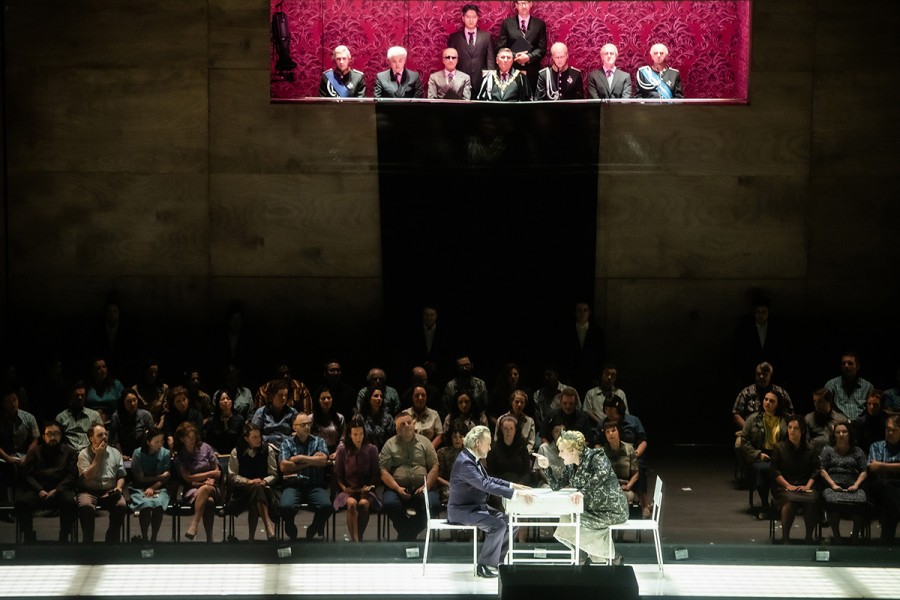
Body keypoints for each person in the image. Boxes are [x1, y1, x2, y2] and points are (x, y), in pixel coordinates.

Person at [448, 424, 533, 578]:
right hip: (462, 511)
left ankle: (495, 561)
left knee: (512, 523)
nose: (489, 448)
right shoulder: (465, 463)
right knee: (498, 526)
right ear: (477, 443)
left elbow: (488, 479)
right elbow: (485, 484)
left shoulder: (472, 459)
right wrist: (514, 494)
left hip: (475, 507)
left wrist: (512, 485)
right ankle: (484, 565)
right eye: (488, 444)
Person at [534, 429, 628, 564]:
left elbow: (601, 475)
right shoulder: (571, 466)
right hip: (592, 510)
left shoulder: (596, 456)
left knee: (577, 524)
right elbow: (556, 485)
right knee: (567, 518)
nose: (560, 455)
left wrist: (582, 492)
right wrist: (547, 467)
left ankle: (607, 557)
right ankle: (587, 556)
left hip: (611, 510)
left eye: (562, 451)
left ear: (573, 451)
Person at [379, 412, 438, 541]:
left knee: (434, 505)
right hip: (397, 488)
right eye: (402, 424)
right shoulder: (390, 444)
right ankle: (409, 534)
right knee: (389, 504)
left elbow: (434, 466)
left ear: (414, 424)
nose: (407, 426)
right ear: (396, 428)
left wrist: (426, 486)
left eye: (409, 423)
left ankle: (406, 535)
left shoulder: (425, 442)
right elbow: (383, 471)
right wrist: (397, 488)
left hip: (423, 487)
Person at [15, 421, 77, 543]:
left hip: (59, 489)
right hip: (38, 489)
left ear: (61, 435)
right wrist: (39, 490)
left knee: (70, 502)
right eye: (49, 434)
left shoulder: (69, 452)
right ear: (43, 436)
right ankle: (28, 534)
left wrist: (57, 490)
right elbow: (26, 474)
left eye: (56, 434)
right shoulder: (35, 452)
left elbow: (72, 475)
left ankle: (64, 534)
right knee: (21, 502)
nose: (53, 437)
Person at [279, 412, 332, 540]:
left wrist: (300, 458)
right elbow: (284, 467)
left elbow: (323, 461)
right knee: (286, 506)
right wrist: (311, 461)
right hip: (293, 485)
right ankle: (290, 524)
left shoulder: (319, 441)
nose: (307, 427)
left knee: (326, 506)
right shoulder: (287, 443)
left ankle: (315, 527)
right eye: (303, 425)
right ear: (295, 427)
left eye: (309, 424)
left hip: (314, 485)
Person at [770, 416, 819, 544]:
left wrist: (808, 486)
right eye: (790, 428)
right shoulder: (779, 447)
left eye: (795, 428)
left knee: (812, 501)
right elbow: (775, 471)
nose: (792, 431)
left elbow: (815, 470)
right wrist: (788, 485)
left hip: (804, 487)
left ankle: (809, 537)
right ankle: (786, 537)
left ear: (802, 431)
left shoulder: (811, 448)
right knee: (790, 501)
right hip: (784, 487)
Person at [333, 415, 381, 542]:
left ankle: (359, 536)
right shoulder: (343, 451)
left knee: (364, 504)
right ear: (349, 435)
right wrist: (344, 488)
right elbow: (338, 474)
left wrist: (369, 487)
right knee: (352, 504)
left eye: (360, 434)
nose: (358, 437)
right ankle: (355, 540)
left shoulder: (372, 450)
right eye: (355, 434)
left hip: (366, 490)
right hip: (349, 489)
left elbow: (376, 474)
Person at [76, 424, 127, 543]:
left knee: (121, 505)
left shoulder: (115, 453)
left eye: (105, 434)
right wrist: (98, 456)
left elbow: (121, 475)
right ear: (91, 438)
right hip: (88, 490)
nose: (104, 437)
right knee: (85, 506)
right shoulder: (83, 454)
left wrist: (119, 488)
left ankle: (111, 540)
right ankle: (88, 541)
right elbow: (88, 477)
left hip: (109, 490)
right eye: (100, 435)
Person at [227, 422, 278, 541]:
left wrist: (264, 481)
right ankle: (268, 525)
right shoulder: (237, 451)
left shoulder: (267, 450)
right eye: (254, 437)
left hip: (264, 490)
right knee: (256, 488)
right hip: (243, 491)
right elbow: (232, 475)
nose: (258, 439)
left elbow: (273, 474)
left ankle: (251, 539)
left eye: (259, 436)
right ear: (246, 438)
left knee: (256, 496)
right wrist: (249, 481)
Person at [819, 422, 867, 542]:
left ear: (849, 434)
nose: (841, 434)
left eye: (844, 432)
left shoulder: (857, 451)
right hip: (833, 485)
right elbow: (822, 470)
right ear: (834, 435)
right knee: (832, 501)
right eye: (838, 432)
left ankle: (855, 536)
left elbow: (864, 471)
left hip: (853, 486)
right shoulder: (828, 450)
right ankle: (837, 536)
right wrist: (833, 485)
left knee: (861, 500)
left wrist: (856, 485)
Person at [740, 391, 787, 515]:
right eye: (766, 399)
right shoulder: (753, 418)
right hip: (760, 455)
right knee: (762, 469)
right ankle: (765, 504)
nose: (767, 403)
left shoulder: (785, 420)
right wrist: (757, 454)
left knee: (781, 468)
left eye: (772, 401)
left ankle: (780, 502)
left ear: (778, 404)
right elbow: (744, 440)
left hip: (780, 455)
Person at [174, 421, 221, 541]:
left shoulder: (205, 447)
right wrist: (210, 473)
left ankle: (194, 524)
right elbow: (188, 478)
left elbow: (216, 469)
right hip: (192, 489)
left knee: (206, 489)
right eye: (189, 437)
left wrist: (211, 478)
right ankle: (210, 539)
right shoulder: (180, 455)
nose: (192, 439)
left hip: (212, 486)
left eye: (194, 436)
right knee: (208, 502)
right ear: (181, 439)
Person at [128, 426, 171, 543]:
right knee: (146, 505)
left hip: (158, 487)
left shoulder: (165, 453)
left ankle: (154, 537)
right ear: (148, 442)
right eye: (156, 442)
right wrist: (159, 476)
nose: (160, 444)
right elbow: (140, 478)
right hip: (139, 487)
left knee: (158, 505)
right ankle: (144, 536)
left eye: (161, 441)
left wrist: (153, 487)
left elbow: (166, 478)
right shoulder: (138, 453)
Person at [498, 0, 547, 92]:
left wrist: (528, 57)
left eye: (526, 3)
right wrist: (514, 56)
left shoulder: (540, 24)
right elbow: (501, 48)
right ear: (516, 5)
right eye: (521, 3)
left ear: (531, 4)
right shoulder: (507, 24)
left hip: (532, 71)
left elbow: (542, 49)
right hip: (511, 70)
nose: (524, 6)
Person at [447, 4, 494, 93]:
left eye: (474, 17)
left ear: (478, 18)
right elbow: (450, 61)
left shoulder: (486, 37)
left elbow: (490, 62)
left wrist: (489, 83)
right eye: (468, 17)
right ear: (463, 18)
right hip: (459, 83)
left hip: (481, 82)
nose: (471, 20)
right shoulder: (454, 37)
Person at [868, 414, 900, 542]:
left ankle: (886, 540)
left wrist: (882, 466)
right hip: (879, 487)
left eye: (894, 430)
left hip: (893, 492)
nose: (890, 432)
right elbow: (873, 468)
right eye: (888, 429)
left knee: (889, 503)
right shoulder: (876, 446)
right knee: (886, 485)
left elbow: (879, 466)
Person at [825, 352, 874, 421]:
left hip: (861, 424)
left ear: (857, 367)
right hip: (838, 424)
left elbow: (873, 410)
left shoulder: (868, 387)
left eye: (850, 363)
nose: (846, 366)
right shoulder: (831, 385)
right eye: (843, 363)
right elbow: (825, 408)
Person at [56, 381, 103, 452]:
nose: (80, 398)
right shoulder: (61, 417)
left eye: (82, 396)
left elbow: (102, 437)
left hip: (90, 453)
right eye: (76, 396)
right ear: (71, 397)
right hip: (69, 454)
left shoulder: (94, 416)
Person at [251, 380, 298, 450]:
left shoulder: (292, 412)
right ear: (272, 396)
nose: (284, 398)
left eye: (286, 395)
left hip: (287, 447)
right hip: (267, 449)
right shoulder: (261, 412)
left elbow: (297, 432)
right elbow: (254, 433)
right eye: (281, 395)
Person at [600, 420, 639, 505]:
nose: (611, 434)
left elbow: (635, 473)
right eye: (608, 432)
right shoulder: (601, 452)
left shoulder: (629, 449)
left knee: (627, 496)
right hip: (608, 487)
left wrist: (629, 485)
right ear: (605, 435)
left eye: (613, 430)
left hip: (625, 487)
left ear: (619, 432)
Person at [108, 388, 154, 459]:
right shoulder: (116, 417)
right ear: (123, 403)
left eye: (134, 400)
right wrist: (121, 456)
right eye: (129, 401)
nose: (132, 404)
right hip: (123, 454)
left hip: (142, 453)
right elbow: (114, 440)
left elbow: (152, 436)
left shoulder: (146, 415)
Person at [486, 415, 532, 487]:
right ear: (501, 429)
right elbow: (490, 472)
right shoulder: (493, 448)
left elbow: (527, 472)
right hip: (499, 487)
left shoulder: (522, 447)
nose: (508, 432)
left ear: (515, 430)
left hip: (519, 487)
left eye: (511, 429)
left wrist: (520, 484)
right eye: (505, 429)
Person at [805, 388, 849, 454]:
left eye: (820, 401)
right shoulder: (808, 419)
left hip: (837, 455)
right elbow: (805, 443)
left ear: (829, 401)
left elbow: (847, 441)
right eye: (815, 401)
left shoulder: (841, 419)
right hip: (815, 455)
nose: (816, 405)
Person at [437, 419, 470, 505]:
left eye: (461, 437)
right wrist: (449, 484)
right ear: (450, 437)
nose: (457, 440)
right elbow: (437, 477)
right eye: (455, 437)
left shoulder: (470, 453)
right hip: (448, 486)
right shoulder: (442, 453)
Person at [204, 389, 245, 454]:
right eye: (222, 399)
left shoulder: (239, 419)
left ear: (232, 401)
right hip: (216, 456)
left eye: (228, 399)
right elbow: (207, 441)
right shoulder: (212, 421)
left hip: (235, 455)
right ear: (218, 402)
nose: (225, 401)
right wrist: (213, 451)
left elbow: (243, 440)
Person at [310, 386, 346, 459]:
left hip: (336, 452)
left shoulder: (340, 418)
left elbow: (343, 438)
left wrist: (337, 452)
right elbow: (309, 439)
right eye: (323, 399)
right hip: (317, 453)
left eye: (329, 398)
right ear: (318, 400)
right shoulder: (311, 418)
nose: (326, 401)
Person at [131, 358, 168, 426]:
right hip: (141, 425)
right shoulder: (135, 389)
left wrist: (158, 427)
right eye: (150, 373)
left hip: (159, 425)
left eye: (155, 373)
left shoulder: (164, 388)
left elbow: (164, 412)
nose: (153, 376)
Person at [359, 384, 395, 450]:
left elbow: (391, 440)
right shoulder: (360, 418)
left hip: (383, 454)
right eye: (376, 396)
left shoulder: (388, 418)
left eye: (381, 396)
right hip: (364, 453)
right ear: (369, 399)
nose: (379, 398)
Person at [855, 389, 887, 454]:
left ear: (881, 406)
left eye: (875, 405)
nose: (871, 407)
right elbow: (858, 444)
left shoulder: (887, 420)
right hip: (865, 453)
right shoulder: (861, 420)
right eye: (869, 404)